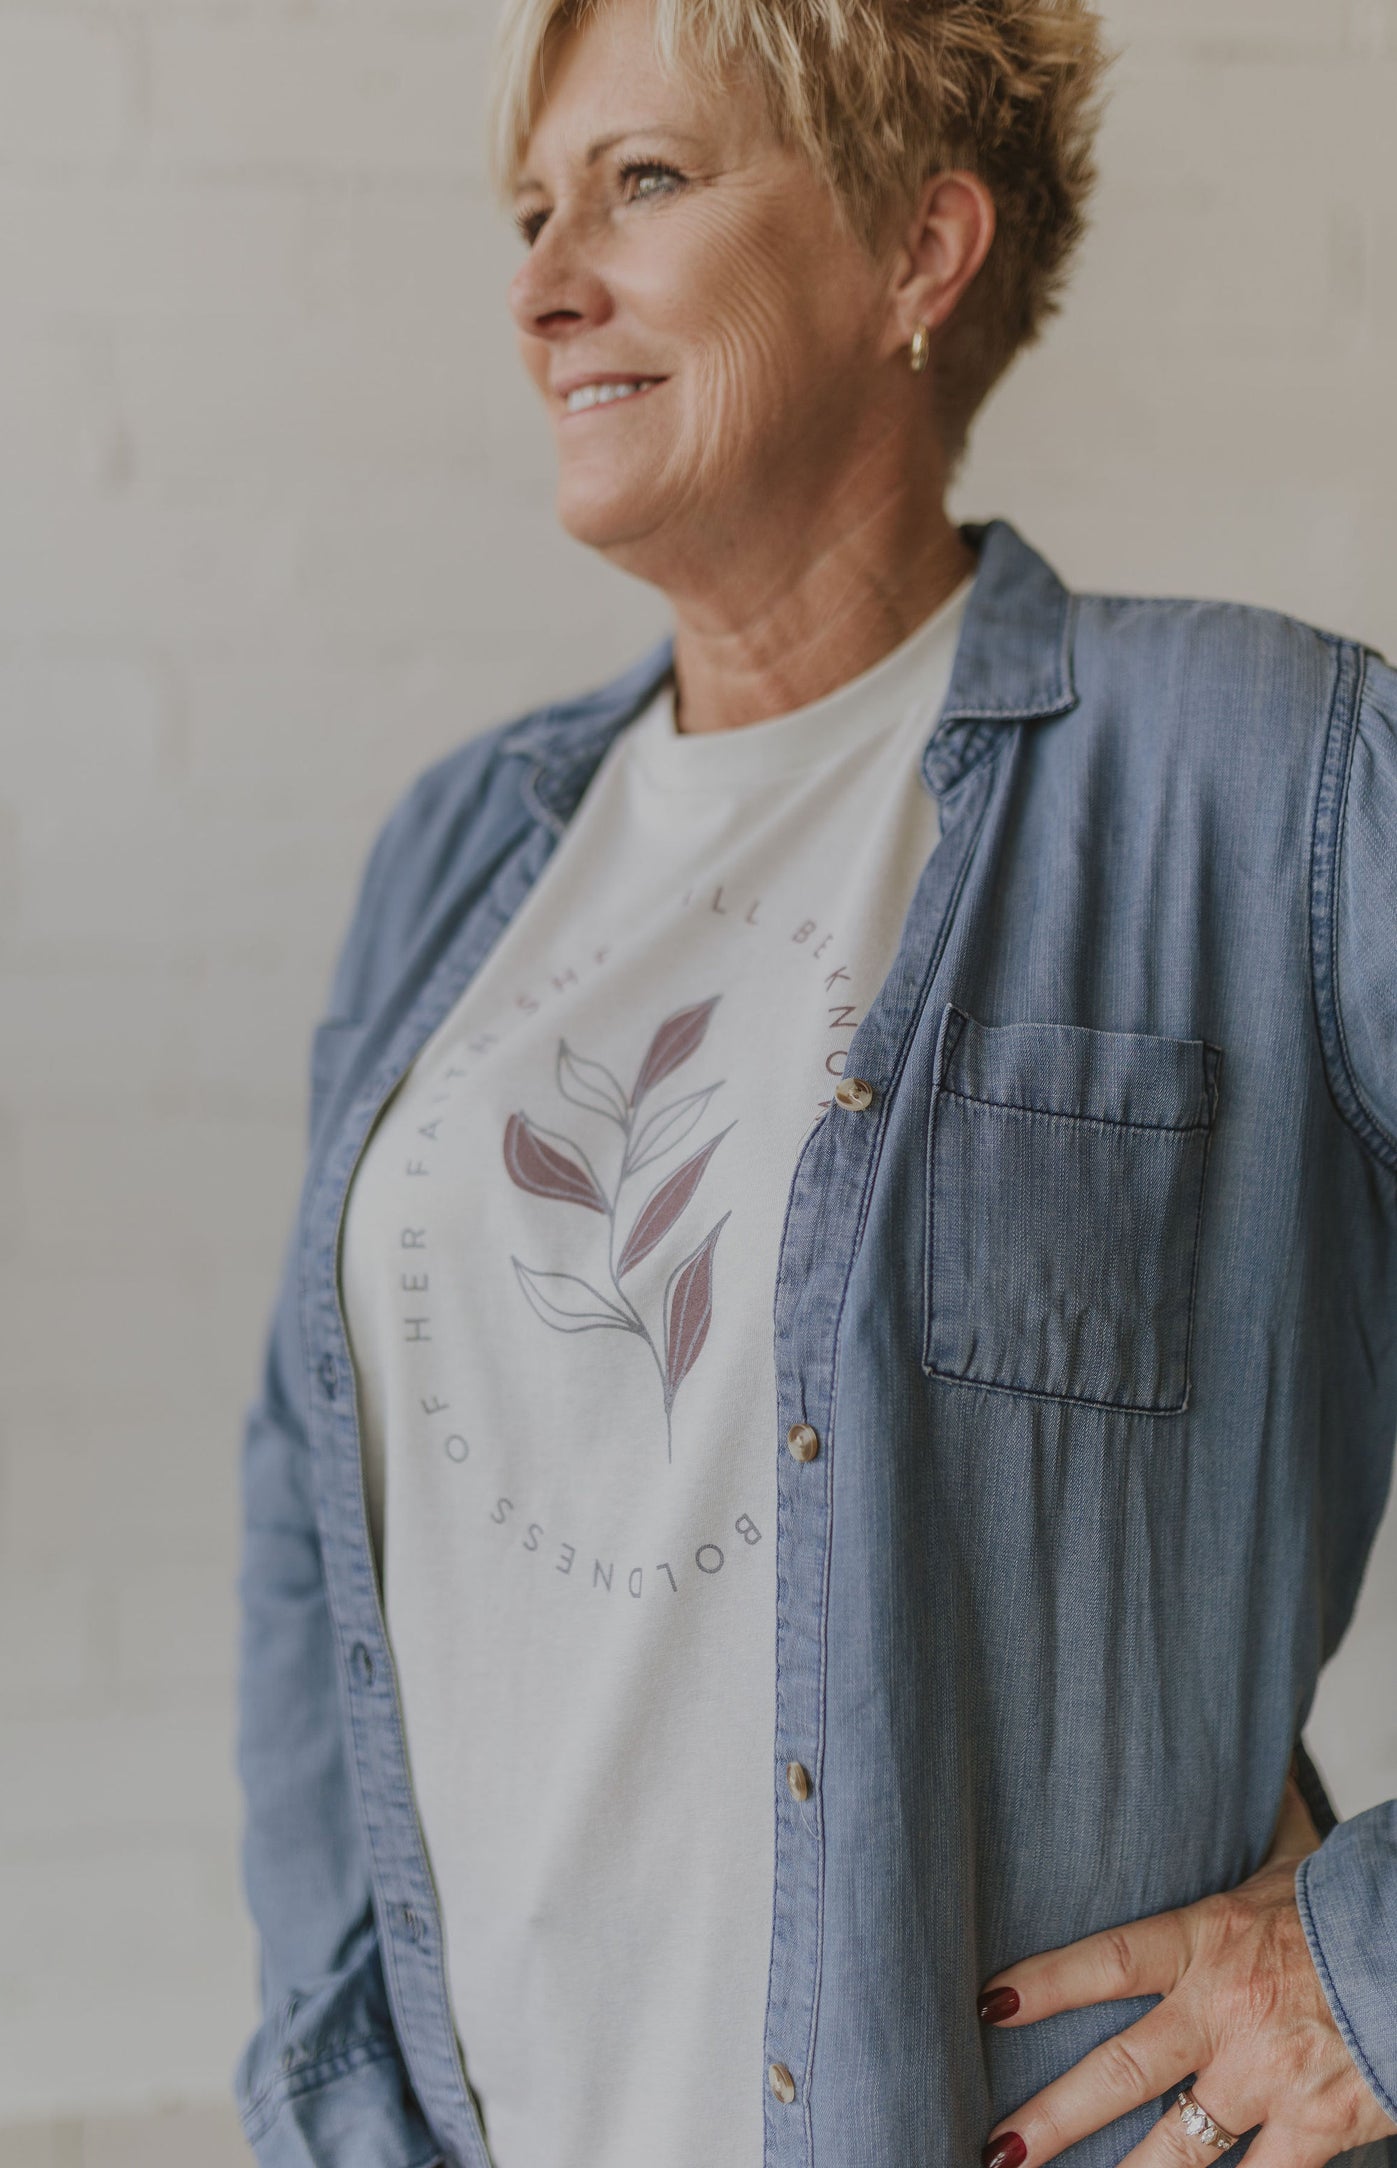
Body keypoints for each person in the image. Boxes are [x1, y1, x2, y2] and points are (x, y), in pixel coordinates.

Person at [231, 0, 1397, 2163]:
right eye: (530, 208)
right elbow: (301, 1523)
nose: (545, 279)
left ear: (916, 252)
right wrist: (331, 2095)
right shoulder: (453, 857)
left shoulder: (1269, 781)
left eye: (645, 182)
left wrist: (1375, 1967)